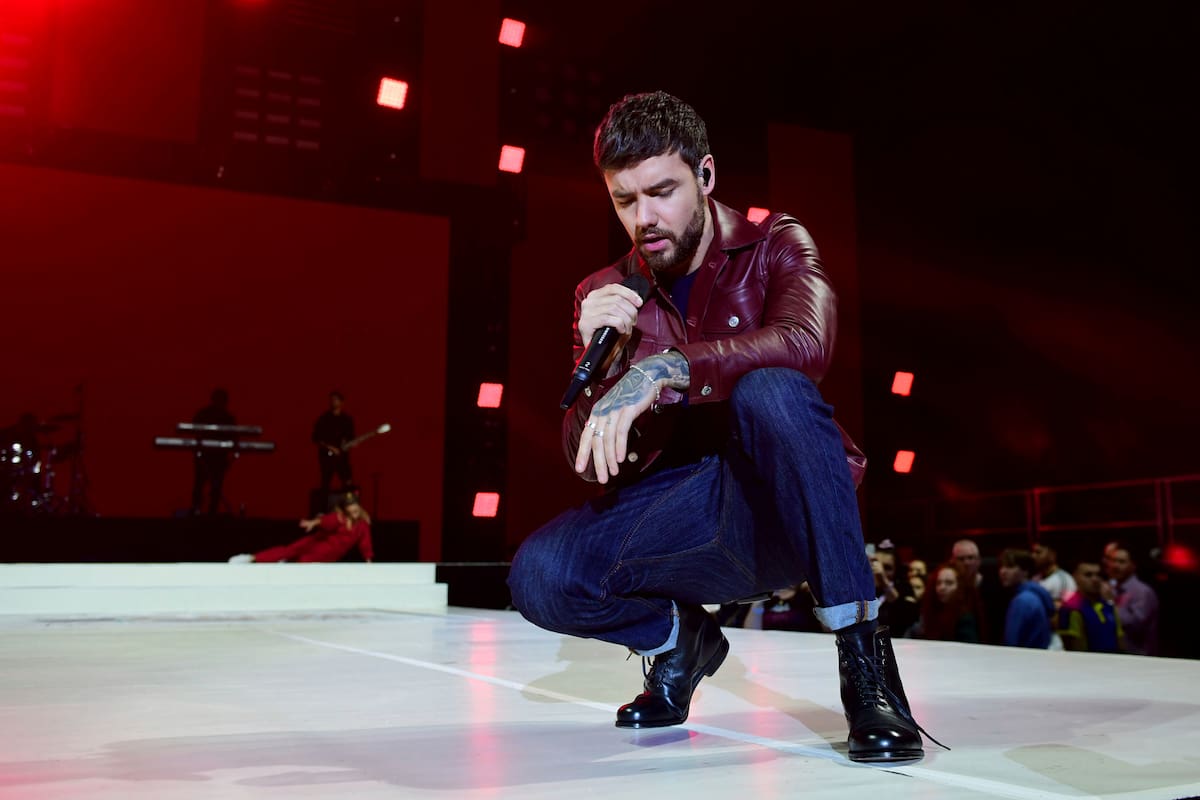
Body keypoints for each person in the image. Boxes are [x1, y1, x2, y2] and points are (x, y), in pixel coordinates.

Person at [506, 91, 934, 763]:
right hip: (682, 517)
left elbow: (807, 343)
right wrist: (611, 362)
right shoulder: (605, 293)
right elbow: (586, 460)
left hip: (780, 505)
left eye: (662, 191)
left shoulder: (775, 245)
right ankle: (679, 643)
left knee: (772, 389)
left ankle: (868, 670)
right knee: (539, 574)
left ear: (705, 176)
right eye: (624, 200)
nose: (644, 218)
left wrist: (668, 369)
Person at [229, 491, 373, 563]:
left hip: (325, 557)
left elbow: (365, 544)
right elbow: (326, 521)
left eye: (356, 507)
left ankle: (282, 565)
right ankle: (251, 558)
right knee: (288, 551)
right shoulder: (339, 518)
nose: (354, 510)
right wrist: (313, 523)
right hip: (314, 545)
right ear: (345, 509)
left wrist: (369, 562)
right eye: (350, 507)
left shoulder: (362, 525)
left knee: (299, 563)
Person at [1058, 560, 1123, 653]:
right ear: (1075, 577)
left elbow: (1120, 640)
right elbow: (1074, 648)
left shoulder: (1108, 606)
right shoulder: (1070, 608)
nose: (1095, 579)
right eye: (1088, 575)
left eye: (1098, 575)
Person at [1104, 544, 1159, 655]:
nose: (1115, 565)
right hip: (1116, 654)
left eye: (1121, 562)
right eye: (1113, 561)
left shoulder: (1142, 592)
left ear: (1133, 565)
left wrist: (1110, 603)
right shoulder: (1111, 588)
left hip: (1138, 656)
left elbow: (1135, 626)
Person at [997, 548, 1054, 648]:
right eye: (1001, 566)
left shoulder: (1022, 601)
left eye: (1010, 566)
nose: (1002, 571)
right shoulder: (1035, 595)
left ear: (1025, 571)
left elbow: (1011, 642)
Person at [910, 562, 980, 643]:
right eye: (938, 583)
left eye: (949, 583)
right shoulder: (930, 612)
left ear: (960, 586)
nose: (942, 587)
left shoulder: (965, 619)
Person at [191, 388, 235, 515]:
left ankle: (211, 512)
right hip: (206, 455)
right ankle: (198, 509)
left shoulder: (227, 417)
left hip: (218, 457)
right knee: (200, 484)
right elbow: (194, 428)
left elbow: (234, 437)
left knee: (215, 486)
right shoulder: (205, 414)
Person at [312, 391, 355, 494]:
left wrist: (349, 444)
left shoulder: (347, 420)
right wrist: (330, 448)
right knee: (325, 482)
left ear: (342, 402)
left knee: (347, 480)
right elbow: (316, 438)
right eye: (332, 400)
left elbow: (350, 437)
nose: (333, 402)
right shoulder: (324, 419)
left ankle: (348, 506)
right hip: (326, 457)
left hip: (342, 456)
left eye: (336, 400)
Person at [1032, 542, 1076, 610]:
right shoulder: (1036, 577)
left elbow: (1063, 610)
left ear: (1052, 555)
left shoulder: (1063, 580)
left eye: (1038, 552)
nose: (1033, 556)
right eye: (1033, 552)